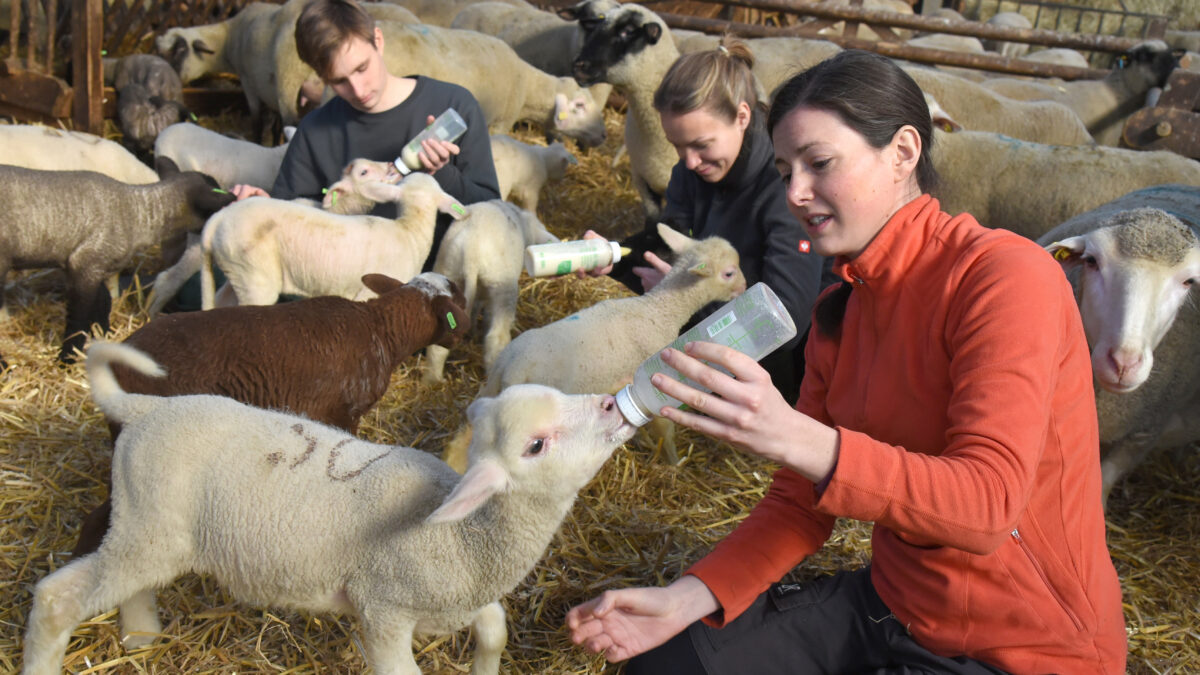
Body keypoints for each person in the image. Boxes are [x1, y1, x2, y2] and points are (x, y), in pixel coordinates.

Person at [567, 49, 1127, 674]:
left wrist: (796, 436)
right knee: (666, 665)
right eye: (784, 171)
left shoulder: (1004, 276)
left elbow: (989, 505)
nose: (795, 193)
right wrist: (685, 598)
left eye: (820, 163)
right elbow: (798, 504)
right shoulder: (843, 308)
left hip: (1024, 646)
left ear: (903, 152)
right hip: (895, 604)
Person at [154, 0, 499, 312]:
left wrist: (440, 174)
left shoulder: (453, 107)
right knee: (198, 283)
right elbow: (292, 214)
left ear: (378, 41)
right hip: (339, 285)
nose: (358, 90)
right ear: (321, 78)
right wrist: (259, 204)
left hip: (427, 286)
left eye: (362, 68)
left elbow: (491, 213)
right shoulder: (315, 130)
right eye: (340, 81)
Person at [587, 39, 827, 403]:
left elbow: (786, 317)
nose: (689, 161)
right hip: (720, 326)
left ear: (742, 117)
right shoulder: (691, 173)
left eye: (701, 144)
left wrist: (681, 298)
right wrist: (612, 255)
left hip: (790, 368)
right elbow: (670, 245)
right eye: (678, 146)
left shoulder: (784, 187)